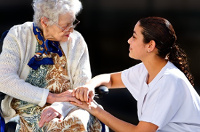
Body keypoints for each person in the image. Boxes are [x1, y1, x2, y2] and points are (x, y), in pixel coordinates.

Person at [71, 16, 200, 132]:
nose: (129, 41)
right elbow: (110, 79)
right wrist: (89, 86)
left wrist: (95, 109)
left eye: (134, 37)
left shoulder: (168, 81)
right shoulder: (146, 69)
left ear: (150, 45)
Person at [0, 0, 105, 131]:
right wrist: (50, 97)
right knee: (55, 125)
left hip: (70, 105)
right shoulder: (18, 35)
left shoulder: (77, 41)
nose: (71, 29)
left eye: (73, 23)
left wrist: (60, 106)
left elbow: (82, 86)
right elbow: (4, 79)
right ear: (44, 22)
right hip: (28, 106)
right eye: (65, 25)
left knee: (76, 121)